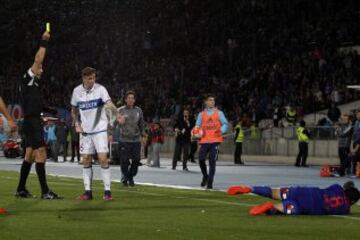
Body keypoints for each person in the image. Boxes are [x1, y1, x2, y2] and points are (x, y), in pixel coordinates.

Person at [15, 31, 61, 199]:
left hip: (30, 121)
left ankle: (21, 189)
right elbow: (38, 59)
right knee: (41, 152)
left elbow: (37, 105)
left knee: (30, 155)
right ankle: (45, 192)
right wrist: (44, 41)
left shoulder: (33, 86)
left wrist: (50, 110)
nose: (42, 68)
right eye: (40, 67)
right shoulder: (28, 78)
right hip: (31, 122)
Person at [71, 67, 118, 200]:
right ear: (84, 79)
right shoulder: (77, 91)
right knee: (86, 159)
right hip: (85, 131)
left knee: (103, 158)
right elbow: (74, 109)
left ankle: (107, 192)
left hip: (100, 130)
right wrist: (76, 124)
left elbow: (109, 104)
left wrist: (116, 113)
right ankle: (88, 192)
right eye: (90, 78)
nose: (93, 80)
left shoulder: (100, 89)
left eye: (94, 77)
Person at [227, 181, 360, 216]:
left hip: (305, 192)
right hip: (307, 207)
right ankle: (272, 208)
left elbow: (345, 186)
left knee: (275, 192)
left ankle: (251, 189)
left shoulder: (337, 187)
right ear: (352, 202)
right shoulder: (345, 209)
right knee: (283, 209)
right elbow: (347, 204)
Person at [193, 94, 228, 189]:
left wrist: (222, 130)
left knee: (212, 160)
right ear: (206, 102)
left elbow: (225, 123)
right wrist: (195, 132)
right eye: (210, 100)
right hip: (204, 141)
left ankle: (210, 182)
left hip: (215, 140)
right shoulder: (201, 114)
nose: (212, 102)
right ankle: (205, 175)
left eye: (213, 100)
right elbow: (197, 126)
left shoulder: (219, 113)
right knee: (200, 160)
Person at [117, 90, 144, 187]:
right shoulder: (120, 110)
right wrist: (110, 134)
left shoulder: (139, 110)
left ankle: (130, 176)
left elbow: (141, 124)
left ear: (135, 100)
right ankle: (125, 177)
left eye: (132, 98)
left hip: (136, 140)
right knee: (124, 161)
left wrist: (143, 134)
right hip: (124, 140)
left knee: (136, 160)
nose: (130, 100)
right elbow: (113, 122)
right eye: (128, 98)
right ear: (125, 100)